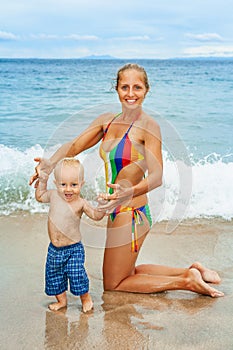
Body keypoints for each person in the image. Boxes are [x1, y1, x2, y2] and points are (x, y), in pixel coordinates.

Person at [30, 63, 224, 298]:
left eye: (137, 87)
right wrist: (49, 165)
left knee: (115, 283)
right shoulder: (107, 121)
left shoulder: (149, 126)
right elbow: (74, 145)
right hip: (114, 208)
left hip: (132, 212)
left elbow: (157, 176)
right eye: (125, 87)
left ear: (147, 90)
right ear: (117, 89)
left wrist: (129, 191)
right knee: (127, 272)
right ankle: (191, 271)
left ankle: (187, 282)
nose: (130, 93)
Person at [35, 157, 106, 312]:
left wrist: (102, 206)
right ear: (56, 184)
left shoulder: (80, 203)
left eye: (74, 185)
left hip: (73, 249)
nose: (68, 189)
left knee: (77, 274)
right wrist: (42, 180)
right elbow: (40, 196)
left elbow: (95, 215)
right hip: (54, 249)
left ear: (81, 184)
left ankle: (86, 298)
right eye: (63, 184)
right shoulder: (53, 195)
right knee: (54, 276)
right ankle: (61, 301)